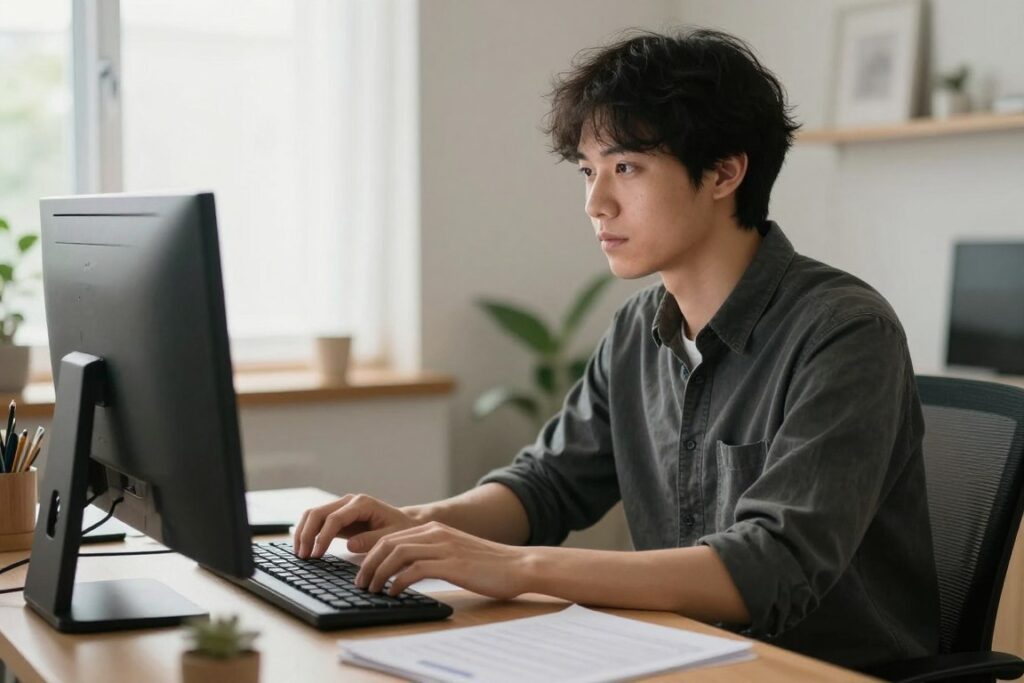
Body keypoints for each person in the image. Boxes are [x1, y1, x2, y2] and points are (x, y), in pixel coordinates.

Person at [293, 28, 939, 669]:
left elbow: (771, 565)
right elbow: (546, 486)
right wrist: (413, 522)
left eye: (625, 167)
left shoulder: (845, 332)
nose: (595, 203)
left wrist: (514, 567)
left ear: (724, 171)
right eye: (588, 170)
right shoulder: (637, 332)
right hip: (682, 655)